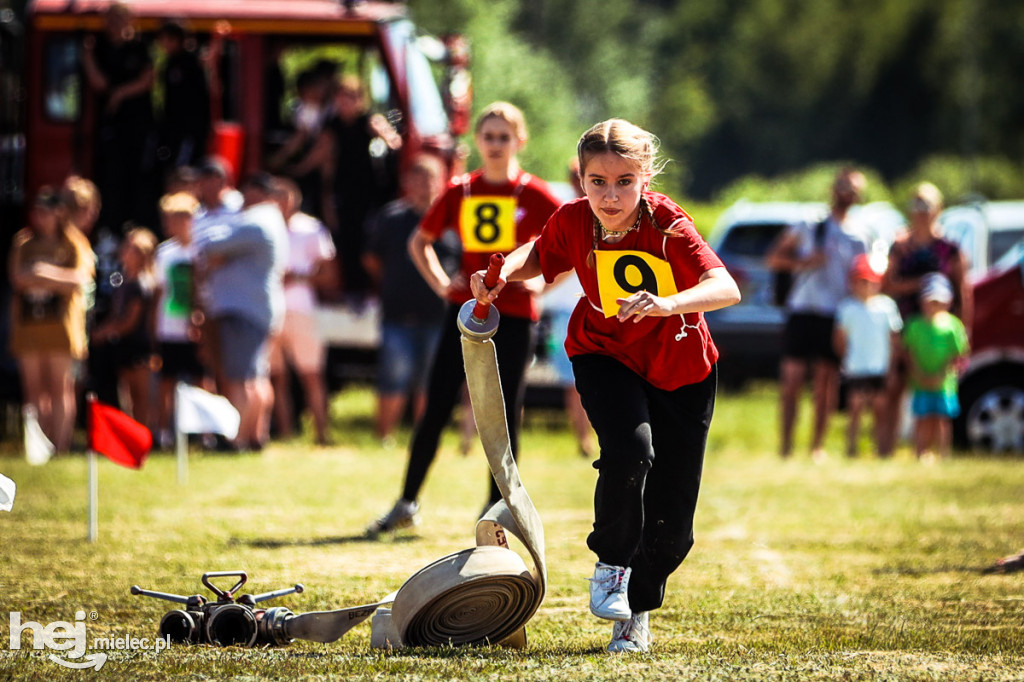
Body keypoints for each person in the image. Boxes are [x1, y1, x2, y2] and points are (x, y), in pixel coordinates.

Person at [470, 119, 740, 653]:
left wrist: (667, 303)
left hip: (682, 368)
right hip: (603, 353)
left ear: (645, 179)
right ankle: (611, 568)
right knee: (630, 451)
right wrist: (501, 273)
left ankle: (638, 609)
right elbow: (538, 253)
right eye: (598, 181)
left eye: (624, 182)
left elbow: (725, 286)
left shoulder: (667, 225)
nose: (610, 196)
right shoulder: (573, 219)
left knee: (673, 523)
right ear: (582, 179)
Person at [367, 102, 561, 534]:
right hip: (467, 315)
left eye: (503, 137)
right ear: (477, 140)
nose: (495, 145)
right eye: (488, 136)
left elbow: (572, 247)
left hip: (515, 317)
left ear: (520, 141)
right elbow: (421, 242)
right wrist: (442, 285)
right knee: (435, 406)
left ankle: (497, 513)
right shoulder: (462, 190)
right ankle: (407, 501)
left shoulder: (537, 194)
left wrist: (543, 285)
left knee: (505, 416)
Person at [765, 168, 869, 460]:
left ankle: (817, 447)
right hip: (802, 310)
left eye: (854, 189)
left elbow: (864, 276)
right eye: (844, 187)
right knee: (792, 381)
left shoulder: (860, 235)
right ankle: (785, 446)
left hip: (834, 314)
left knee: (827, 383)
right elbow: (773, 258)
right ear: (833, 189)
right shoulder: (809, 224)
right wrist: (804, 262)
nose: (848, 194)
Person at [362, 154, 459, 445]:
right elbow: (371, 259)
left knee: (431, 383)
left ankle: (424, 440)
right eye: (416, 178)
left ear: (441, 182)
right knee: (393, 379)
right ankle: (384, 437)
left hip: (439, 315)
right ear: (407, 182)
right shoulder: (391, 218)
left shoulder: (453, 221)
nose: (423, 185)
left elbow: (466, 261)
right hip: (397, 314)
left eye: (429, 178)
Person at [197, 172, 288, 450]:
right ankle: (254, 435)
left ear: (257, 194)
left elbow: (207, 243)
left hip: (245, 313)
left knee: (239, 380)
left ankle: (234, 439)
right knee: (255, 377)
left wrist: (220, 253)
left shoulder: (256, 223)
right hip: (258, 310)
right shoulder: (270, 221)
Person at [881, 182, 971, 452]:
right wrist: (920, 284)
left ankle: (936, 451)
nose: (921, 212)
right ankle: (887, 448)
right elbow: (887, 285)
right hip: (906, 326)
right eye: (916, 205)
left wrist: (965, 330)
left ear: (939, 209)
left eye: (927, 205)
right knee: (895, 386)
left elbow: (963, 290)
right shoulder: (900, 246)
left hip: (939, 331)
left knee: (938, 390)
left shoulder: (950, 248)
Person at [8, 188, 94, 452]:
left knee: (60, 388)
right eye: (36, 212)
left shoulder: (73, 242)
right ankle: (37, 446)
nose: (39, 217)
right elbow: (17, 279)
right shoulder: (23, 242)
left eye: (45, 212)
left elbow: (80, 280)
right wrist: (53, 279)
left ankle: (61, 445)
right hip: (29, 327)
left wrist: (42, 272)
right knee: (33, 390)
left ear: (59, 214)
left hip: (62, 329)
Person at [268, 177, 336, 445]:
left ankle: (322, 434)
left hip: (301, 310)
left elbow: (329, 274)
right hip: (271, 310)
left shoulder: (311, 229)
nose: (281, 202)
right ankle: (284, 434)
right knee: (276, 377)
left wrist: (297, 277)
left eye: (286, 196)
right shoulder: (264, 228)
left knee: (311, 374)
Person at [323, 74, 402, 298]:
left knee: (367, 240)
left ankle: (368, 289)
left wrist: (384, 135)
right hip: (342, 191)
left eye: (351, 96)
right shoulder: (332, 125)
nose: (345, 102)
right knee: (344, 240)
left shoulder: (368, 121)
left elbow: (394, 142)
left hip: (368, 191)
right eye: (341, 96)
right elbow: (325, 162)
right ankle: (349, 288)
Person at [80, 2, 156, 232]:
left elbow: (148, 80)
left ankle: (136, 227)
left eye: (118, 18)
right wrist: (86, 56)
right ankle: (108, 229)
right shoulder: (100, 47)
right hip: (109, 126)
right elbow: (99, 83)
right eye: (109, 19)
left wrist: (120, 94)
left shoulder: (140, 46)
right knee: (110, 178)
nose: (113, 24)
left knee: (139, 178)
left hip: (138, 125)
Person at [833, 254, 903, 457]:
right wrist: (845, 361)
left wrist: (892, 368)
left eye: (869, 281)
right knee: (854, 410)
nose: (864, 286)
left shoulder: (886, 307)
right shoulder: (847, 308)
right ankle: (851, 450)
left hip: (879, 368)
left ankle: (882, 451)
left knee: (880, 411)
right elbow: (839, 340)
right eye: (860, 281)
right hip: (856, 368)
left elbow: (894, 340)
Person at [89, 228, 158, 428]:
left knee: (141, 396)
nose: (127, 252)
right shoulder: (121, 282)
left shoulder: (141, 284)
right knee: (126, 395)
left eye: (134, 249)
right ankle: (131, 434)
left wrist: (105, 332)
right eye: (126, 247)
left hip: (140, 346)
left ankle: (146, 434)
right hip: (122, 346)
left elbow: (130, 321)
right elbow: (115, 315)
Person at [153, 192, 205, 449]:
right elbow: (160, 292)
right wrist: (154, 331)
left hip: (197, 331)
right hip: (169, 328)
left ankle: (206, 433)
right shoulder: (164, 253)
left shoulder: (202, 250)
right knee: (166, 382)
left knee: (202, 381)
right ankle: (163, 433)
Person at [901, 272, 969, 461]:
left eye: (938, 301)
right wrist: (918, 373)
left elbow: (959, 355)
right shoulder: (915, 325)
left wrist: (943, 374)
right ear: (922, 302)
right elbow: (908, 352)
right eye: (930, 301)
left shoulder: (953, 326)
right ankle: (921, 453)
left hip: (944, 384)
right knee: (922, 419)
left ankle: (943, 454)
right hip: (920, 382)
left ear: (948, 302)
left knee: (941, 419)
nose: (934, 306)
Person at [155, 20, 211, 171]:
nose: (162, 43)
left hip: (189, 128)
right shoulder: (169, 61)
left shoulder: (192, 62)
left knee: (184, 169)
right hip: (173, 126)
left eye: (165, 38)